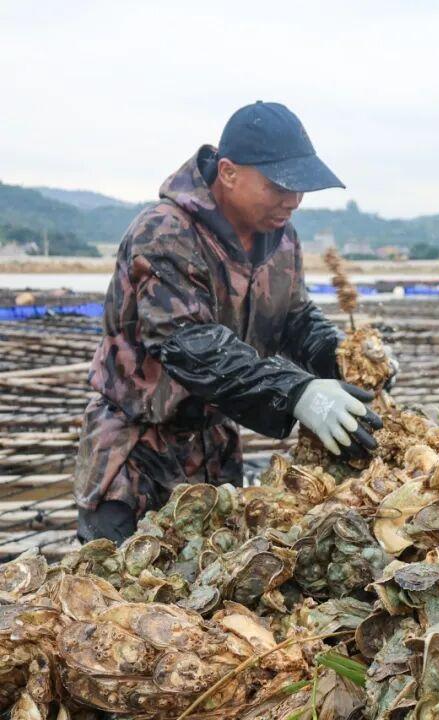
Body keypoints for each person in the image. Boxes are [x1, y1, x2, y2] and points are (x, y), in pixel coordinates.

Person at [73, 101, 383, 543]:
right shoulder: (165, 233)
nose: (293, 201)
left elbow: (294, 318)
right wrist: (295, 391)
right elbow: (189, 344)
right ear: (229, 172)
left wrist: (343, 359)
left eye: (300, 189)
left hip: (214, 451)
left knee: (215, 592)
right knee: (115, 597)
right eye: (279, 186)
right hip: (137, 452)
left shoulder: (282, 238)